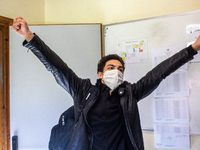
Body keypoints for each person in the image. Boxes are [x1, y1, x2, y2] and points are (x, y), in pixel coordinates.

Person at [12, 17, 200, 150]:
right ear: (100, 74)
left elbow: (159, 73)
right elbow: (56, 66)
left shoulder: (130, 94)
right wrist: (29, 37)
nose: (116, 71)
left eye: (120, 69)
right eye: (111, 68)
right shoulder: (83, 90)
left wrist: (193, 48)